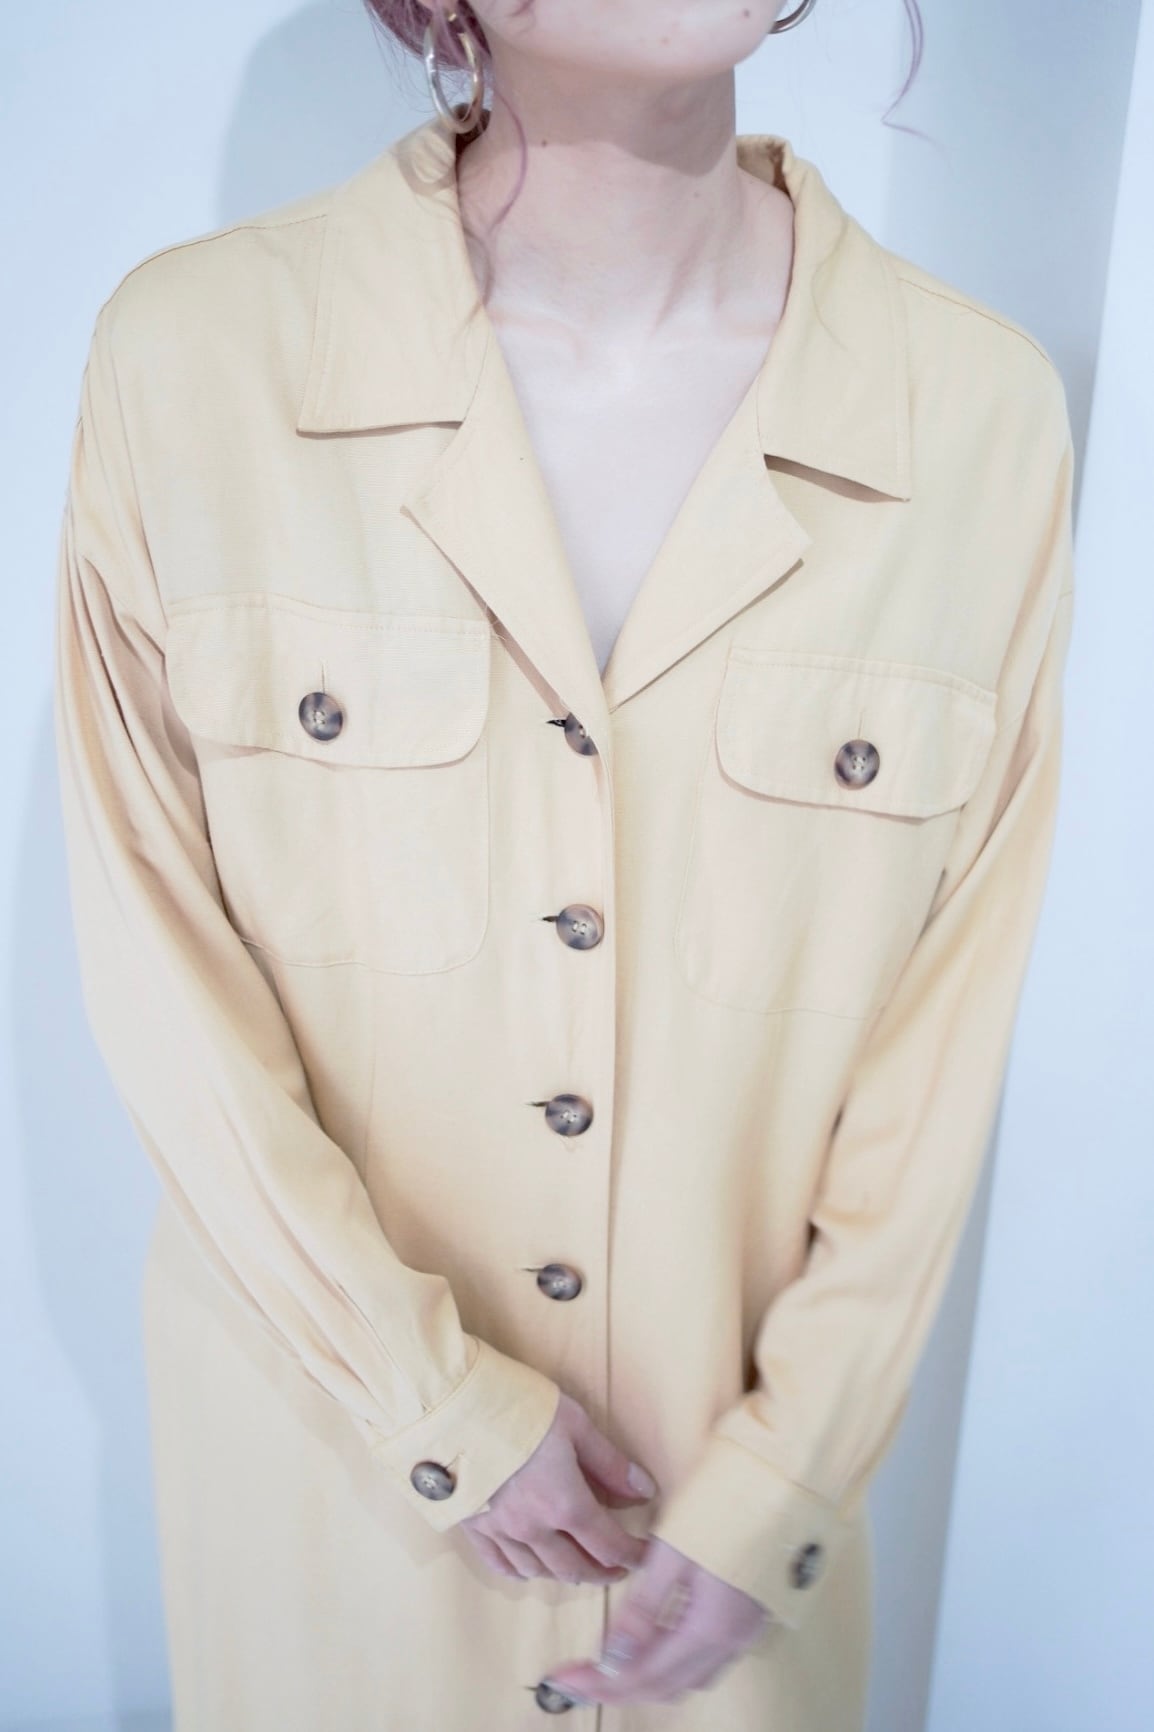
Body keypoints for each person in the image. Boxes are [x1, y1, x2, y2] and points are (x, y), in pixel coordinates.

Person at [52, 1, 1077, 1727]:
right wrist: (432, 1403)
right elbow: (157, 965)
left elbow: (949, 1030)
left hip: (719, 1567)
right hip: (340, 1529)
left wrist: (790, 1472)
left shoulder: (970, 416)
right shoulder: (195, 364)